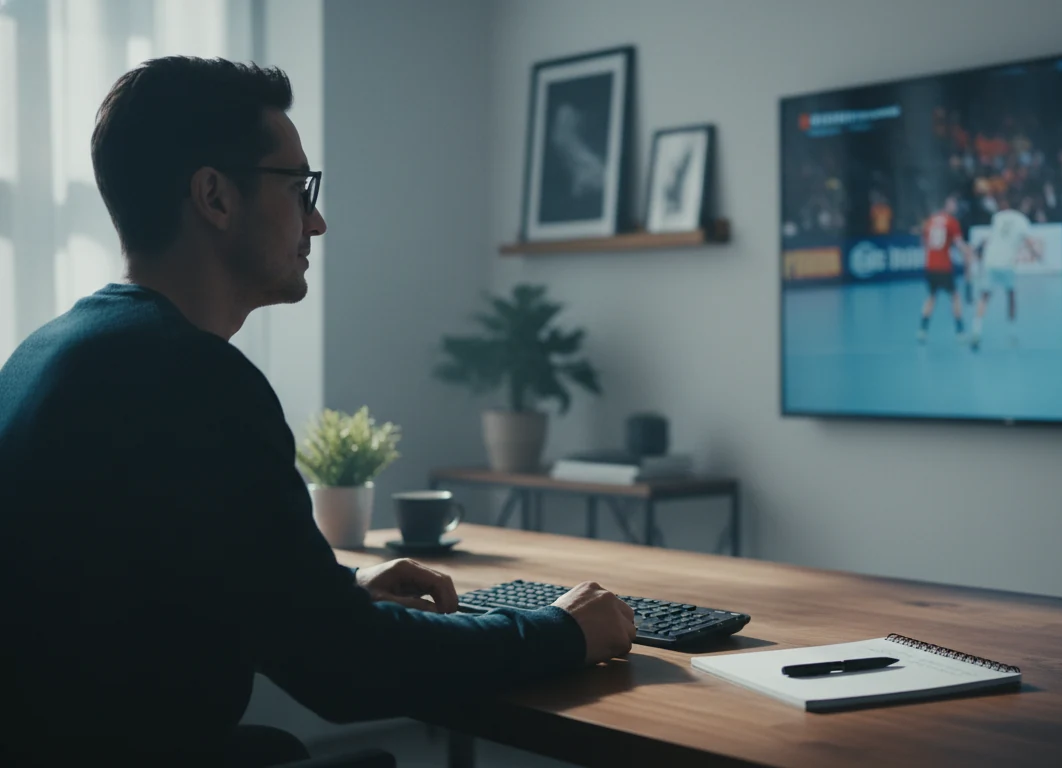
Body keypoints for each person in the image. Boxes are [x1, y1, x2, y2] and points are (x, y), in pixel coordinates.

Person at [0, 57, 636, 766]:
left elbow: (150, 576)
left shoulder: (43, 354)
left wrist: (337, 586)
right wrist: (561, 630)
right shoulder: (194, 378)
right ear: (214, 196)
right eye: (299, 187)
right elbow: (346, 670)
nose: (319, 220)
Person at [969, 198, 1041, 351]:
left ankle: (976, 330)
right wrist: (1036, 254)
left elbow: (991, 236)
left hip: (990, 260)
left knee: (984, 296)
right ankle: (1012, 332)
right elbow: (1028, 241)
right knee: (1011, 295)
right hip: (1007, 263)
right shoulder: (1022, 220)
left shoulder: (998, 217)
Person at [917, 195, 974, 343]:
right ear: (949, 206)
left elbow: (923, 242)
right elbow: (959, 244)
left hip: (930, 265)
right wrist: (969, 252)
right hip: (944, 266)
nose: (955, 207)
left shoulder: (931, 220)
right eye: (954, 204)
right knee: (955, 297)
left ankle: (922, 330)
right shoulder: (952, 222)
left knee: (931, 297)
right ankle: (960, 331)